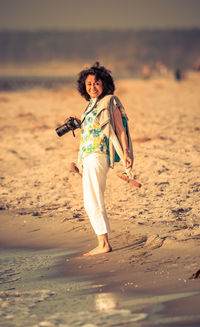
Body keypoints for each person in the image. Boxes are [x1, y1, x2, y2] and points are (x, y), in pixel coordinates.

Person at [76, 62, 133, 256]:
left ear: (104, 84)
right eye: (89, 84)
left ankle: (103, 244)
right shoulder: (90, 105)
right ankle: (102, 242)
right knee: (91, 198)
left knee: (93, 199)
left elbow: (120, 129)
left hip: (98, 155)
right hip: (88, 157)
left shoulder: (110, 101)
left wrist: (126, 153)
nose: (92, 87)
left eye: (96, 83)